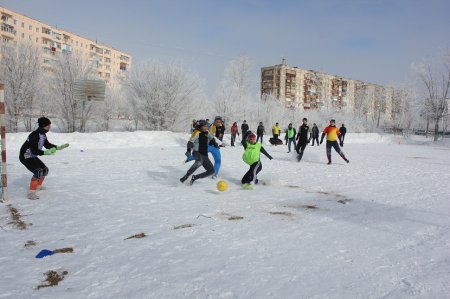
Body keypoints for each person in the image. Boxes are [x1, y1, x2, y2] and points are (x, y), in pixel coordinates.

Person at [19, 117, 69, 200]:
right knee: (38, 171)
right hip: (25, 156)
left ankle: (38, 186)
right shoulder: (34, 135)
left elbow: (47, 145)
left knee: (45, 170)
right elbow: (34, 150)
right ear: (43, 126)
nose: (49, 127)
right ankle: (31, 193)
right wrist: (45, 152)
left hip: (32, 155)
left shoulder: (43, 134)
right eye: (48, 126)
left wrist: (58, 147)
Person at [180, 119, 218, 185]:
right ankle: (186, 176)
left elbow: (211, 138)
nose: (206, 128)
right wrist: (188, 150)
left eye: (206, 126)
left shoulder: (207, 132)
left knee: (211, 171)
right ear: (200, 126)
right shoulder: (197, 132)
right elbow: (190, 142)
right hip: (196, 152)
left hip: (204, 154)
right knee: (199, 162)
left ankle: (195, 177)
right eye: (204, 126)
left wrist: (215, 143)